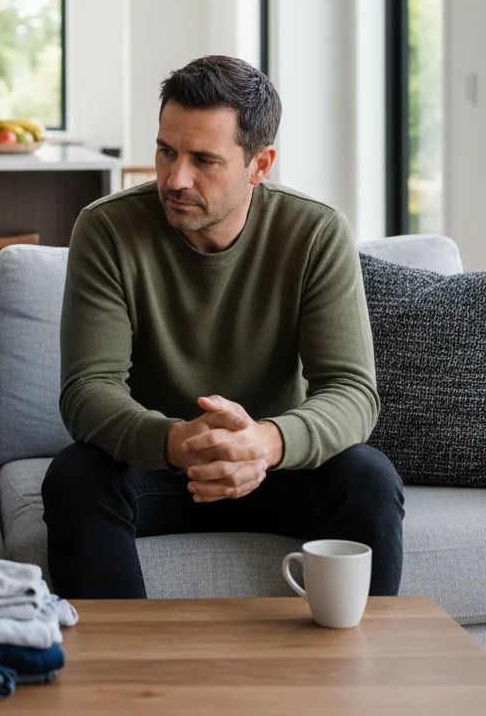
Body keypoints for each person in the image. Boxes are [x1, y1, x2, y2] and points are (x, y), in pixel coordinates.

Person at [43, 55, 404, 599]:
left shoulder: (315, 232)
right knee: (76, 476)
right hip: (159, 460)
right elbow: (87, 390)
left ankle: (355, 653)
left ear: (260, 165)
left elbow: (352, 390)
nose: (175, 178)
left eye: (204, 160)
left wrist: (267, 442)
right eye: (166, 151)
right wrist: (175, 440)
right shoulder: (107, 228)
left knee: (368, 478)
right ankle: (118, 656)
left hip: (274, 461)